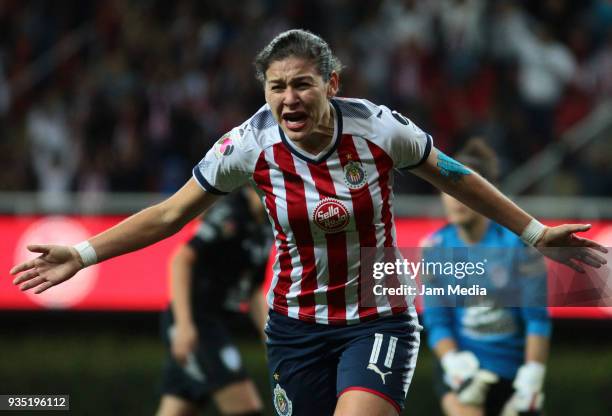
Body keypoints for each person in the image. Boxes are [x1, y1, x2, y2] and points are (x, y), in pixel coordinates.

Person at [9, 29, 606, 416]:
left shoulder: (379, 128)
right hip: (295, 326)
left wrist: (533, 233)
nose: (289, 98)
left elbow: (453, 175)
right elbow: (169, 215)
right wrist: (82, 254)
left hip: (378, 313)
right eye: (276, 87)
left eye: (302, 84)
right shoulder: (248, 145)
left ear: (331, 84)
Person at [421, 138, 551, 416]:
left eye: (464, 190)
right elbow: (437, 321)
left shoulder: (521, 248)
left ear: (487, 194)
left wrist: (532, 376)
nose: (455, 199)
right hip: (464, 374)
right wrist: (453, 363)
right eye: (448, 189)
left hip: (514, 373)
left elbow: (536, 319)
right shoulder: (433, 250)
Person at [156, 186, 272, 416]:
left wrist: (272, 338)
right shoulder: (230, 214)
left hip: (215, 323)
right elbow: (180, 261)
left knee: (179, 407)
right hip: (196, 322)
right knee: (246, 408)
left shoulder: (268, 225)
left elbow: (252, 290)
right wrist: (184, 325)